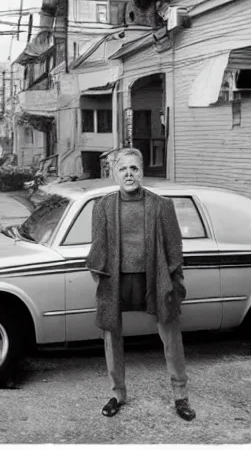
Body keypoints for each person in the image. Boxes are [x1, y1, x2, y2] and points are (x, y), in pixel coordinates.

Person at [86, 147, 196, 422]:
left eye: (134, 168)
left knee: (171, 334)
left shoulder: (162, 205)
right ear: (114, 174)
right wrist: (99, 278)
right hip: (117, 281)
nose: (129, 174)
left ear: (142, 172)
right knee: (112, 336)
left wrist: (175, 284)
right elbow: (97, 249)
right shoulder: (102, 207)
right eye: (123, 169)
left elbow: (174, 250)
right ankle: (118, 393)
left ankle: (180, 396)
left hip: (154, 279)